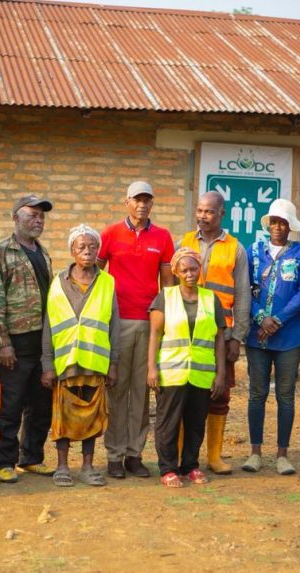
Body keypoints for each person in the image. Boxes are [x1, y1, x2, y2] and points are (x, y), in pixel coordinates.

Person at [98, 181, 175, 479]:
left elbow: (168, 284)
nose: (142, 205)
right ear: (127, 202)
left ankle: (134, 454)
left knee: (141, 392)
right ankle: (114, 456)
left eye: (147, 200)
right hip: (117, 322)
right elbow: (97, 277)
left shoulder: (163, 237)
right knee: (117, 389)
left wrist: (166, 320)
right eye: (137, 200)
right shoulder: (110, 234)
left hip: (148, 323)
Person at [41, 225, 121, 487]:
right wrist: (47, 364)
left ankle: (87, 466)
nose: (87, 252)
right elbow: (49, 325)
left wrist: (113, 363)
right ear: (72, 251)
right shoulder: (58, 282)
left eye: (92, 247)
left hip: (94, 362)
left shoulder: (107, 283)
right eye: (81, 247)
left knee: (93, 416)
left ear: (99, 250)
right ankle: (62, 465)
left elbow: (114, 326)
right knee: (62, 416)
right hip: (66, 363)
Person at [178, 191, 250, 474]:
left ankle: (214, 457)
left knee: (219, 395)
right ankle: (184, 455)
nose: (203, 216)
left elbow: (243, 294)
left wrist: (237, 337)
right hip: (187, 333)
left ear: (222, 213)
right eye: (199, 210)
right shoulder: (184, 242)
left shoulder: (235, 248)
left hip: (221, 334)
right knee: (185, 393)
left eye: (209, 211)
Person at [242, 199, 300, 476]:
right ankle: (255, 452)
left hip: (290, 336)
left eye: (283, 222)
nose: (277, 227)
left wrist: (278, 320)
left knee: (286, 395)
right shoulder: (254, 251)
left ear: (290, 226)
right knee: (256, 393)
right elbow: (245, 287)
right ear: (268, 224)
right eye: (274, 221)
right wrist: (262, 318)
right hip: (257, 336)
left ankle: (283, 454)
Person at [0, 195, 55, 483]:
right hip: (13, 343)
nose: (38, 220)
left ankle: (32, 458)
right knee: (10, 405)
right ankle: (4, 461)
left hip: (41, 343)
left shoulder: (43, 252)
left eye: (41, 216)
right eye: (32, 215)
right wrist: (2, 341)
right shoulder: (1, 252)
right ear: (16, 217)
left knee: (40, 405)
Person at [148, 248, 226, 488]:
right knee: (167, 423)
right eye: (184, 270)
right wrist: (151, 368)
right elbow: (155, 334)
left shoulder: (211, 298)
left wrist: (221, 373)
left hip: (201, 373)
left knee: (195, 423)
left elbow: (219, 338)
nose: (190, 273)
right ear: (175, 271)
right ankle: (168, 469)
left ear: (199, 269)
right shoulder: (166, 296)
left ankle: (190, 466)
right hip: (172, 372)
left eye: (194, 268)